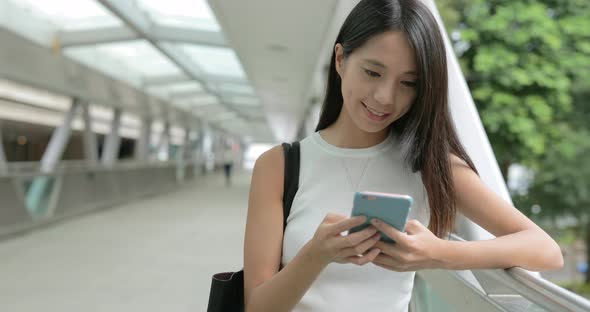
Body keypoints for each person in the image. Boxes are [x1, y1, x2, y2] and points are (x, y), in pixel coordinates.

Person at [243, 0, 564, 311]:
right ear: (340, 59)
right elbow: (257, 307)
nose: (385, 97)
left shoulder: (430, 166)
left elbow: (545, 250)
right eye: (372, 72)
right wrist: (315, 254)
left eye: (408, 83)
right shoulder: (279, 166)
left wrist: (438, 253)